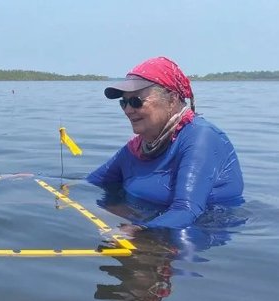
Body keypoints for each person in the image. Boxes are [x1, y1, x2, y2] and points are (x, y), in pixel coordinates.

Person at [87, 56, 244, 229]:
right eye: (123, 102)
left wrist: (141, 231)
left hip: (194, 236)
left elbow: (187, 211)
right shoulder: (138, 147)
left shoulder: (200, 139)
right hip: (145, 225)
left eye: (136, 101)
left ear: (171, 100)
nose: (128, 110)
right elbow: (92, 182)